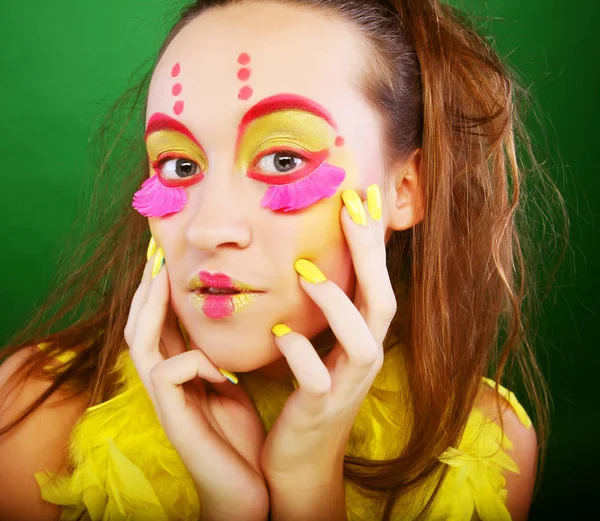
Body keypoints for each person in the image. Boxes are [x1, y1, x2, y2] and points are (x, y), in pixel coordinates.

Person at [0, 0, 566, 520]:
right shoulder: (29, 419)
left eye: (283, 157)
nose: (208, 228)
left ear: (406, 190)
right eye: (177, 165)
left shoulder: (491, 445)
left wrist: (305, 485)